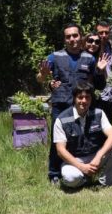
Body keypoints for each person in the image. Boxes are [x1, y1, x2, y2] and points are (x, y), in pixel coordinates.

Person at [38, 23, 108, 183]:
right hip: (61, 105)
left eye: (75, 35)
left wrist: (100, 70)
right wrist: (43, 76)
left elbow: (97, 85)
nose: (72, 39)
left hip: (82, 106)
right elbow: (40, 78)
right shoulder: (54, 57)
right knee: (58, 141)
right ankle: (54, 173)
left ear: (80, 37)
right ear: (64, 39)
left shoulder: (89, 58)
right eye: (68, 36)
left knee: (84, 138)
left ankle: (86, 169)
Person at [54, 81, 112, 188]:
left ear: (91, 99)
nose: (84, 101)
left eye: (87, 97)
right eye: (80, 97)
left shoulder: (99, 113)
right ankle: (85, 180)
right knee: (71, 178)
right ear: (74, 98)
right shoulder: (62, 119)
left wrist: (98, 156)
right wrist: (82, 167)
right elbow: (60, 150)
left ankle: (105, 182)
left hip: (95, 156)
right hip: (75, 160)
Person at [85, 28, 112, 123]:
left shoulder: (100, 59)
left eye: (97, 42)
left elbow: (100, 85)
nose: (93, 44)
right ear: (84, 42)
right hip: (78, 99)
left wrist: (99, 71)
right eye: (90, 41)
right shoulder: (78, 56)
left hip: (94, 99)